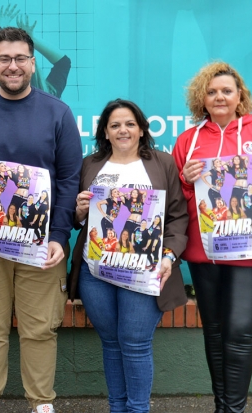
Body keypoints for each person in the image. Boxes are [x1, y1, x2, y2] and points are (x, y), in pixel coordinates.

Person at [0, 27, 82, 413]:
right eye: (4, 58)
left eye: (20, 58)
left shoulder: (57, 112)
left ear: (32, 62)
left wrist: (59, 234)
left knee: (41, 325)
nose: (13, 66)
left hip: (41, 240)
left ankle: (41, 404)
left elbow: (69, 178)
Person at [172, 62, 252, 413]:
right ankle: (221, 407)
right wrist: (184, 180)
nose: (219, 97)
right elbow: (175, 205)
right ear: (202, 97)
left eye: (226, 91)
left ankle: (234, 410)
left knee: (239, 332)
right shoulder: (188, 141)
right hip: (205, 256)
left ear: (239, 96)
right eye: (211, 91)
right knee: (214, 333)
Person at [69, 99, 188, 413]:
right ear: (105, 133)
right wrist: (80, 210)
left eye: (130, 124)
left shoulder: (162, 163)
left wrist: (169, 255)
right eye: (115, 125)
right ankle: (116, 408)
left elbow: (178, 217)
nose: (123, 130)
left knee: (134, 343)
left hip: (146, 270)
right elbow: (77, 218)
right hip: (96, 273)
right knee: (111, 342)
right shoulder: (90, 165)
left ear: (141, 130)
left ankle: (137, 410)